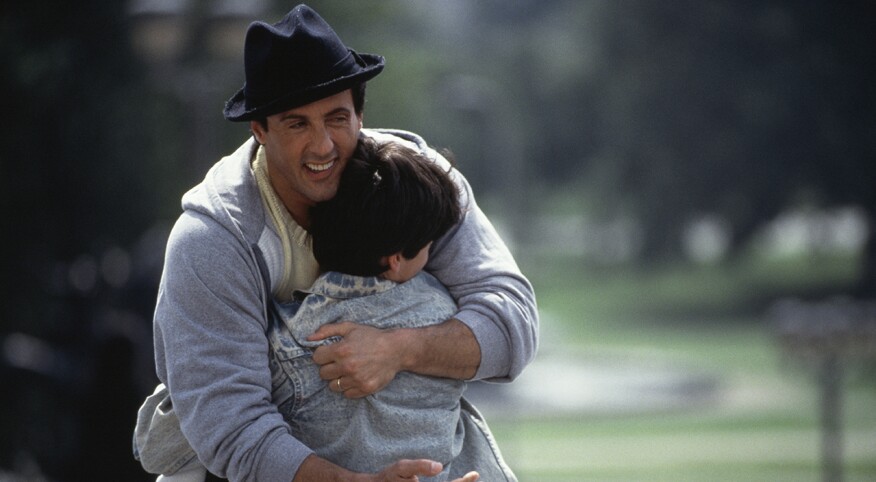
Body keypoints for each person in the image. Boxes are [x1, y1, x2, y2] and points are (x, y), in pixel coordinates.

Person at [140, 4, 538, 481]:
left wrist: (397, 349)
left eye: (336, 118)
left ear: (360, 113)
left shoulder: (415, 183)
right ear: (260, 130)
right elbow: (232, 427)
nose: (323, 145)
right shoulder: (211, 240)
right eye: (297, 124)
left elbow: (512, 321)